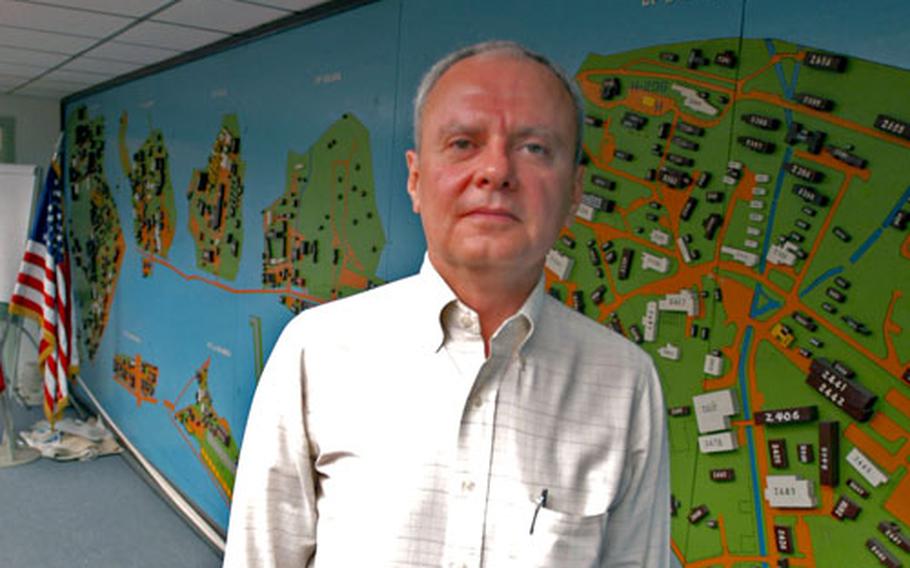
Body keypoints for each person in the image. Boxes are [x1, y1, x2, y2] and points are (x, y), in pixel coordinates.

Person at [224, 40, 669, 567]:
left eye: (534, 149)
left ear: (574, 193)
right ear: (415, 180)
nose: (496, 172)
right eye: (463, 143)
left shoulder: (626, 384)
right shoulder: (316, 351)